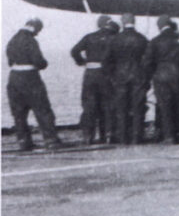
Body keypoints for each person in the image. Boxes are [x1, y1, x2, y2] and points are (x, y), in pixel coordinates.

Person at [6, 18, 62, 151]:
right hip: (30, 78)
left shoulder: (12, 41)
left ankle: (23, 141)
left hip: (14, 78)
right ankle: (51, 139)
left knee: (19, 113)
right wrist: (44, 64)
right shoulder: (31, 41)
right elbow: (39, 61)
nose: (38, 33)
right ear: (35, 27)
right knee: (42, 109)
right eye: (39, 30)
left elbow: (10, 61)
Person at [103, 14, 150, 144]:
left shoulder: (115, 39)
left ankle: (123, 138)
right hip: (138, 76)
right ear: (134, 22)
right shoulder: (142, 39)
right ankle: (137, 137)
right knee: (138, 107)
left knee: (121, 108)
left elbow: (106, 61)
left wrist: (112, 76)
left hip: (120, 77)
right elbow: (148, 60)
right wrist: (146, 76)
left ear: (122, 23)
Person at [71, 15, 118, 144]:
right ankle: (109, 134)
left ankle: (88, 136)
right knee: (108, 104)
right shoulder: (114, 38)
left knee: (89, 105)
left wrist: (82, 62)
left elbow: (74, 51)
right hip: (106, 74)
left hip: (90, 73)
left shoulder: (89, 37)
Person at [143, 15, 179, 143]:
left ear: (159, 27)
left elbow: (147, 61)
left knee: (164, 105)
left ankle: (169, 135)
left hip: (160, 75)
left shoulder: (155, 41)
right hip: (177, 74)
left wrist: (153, 73)